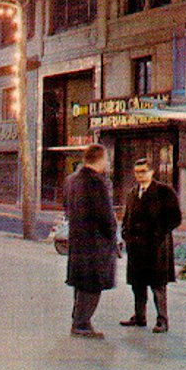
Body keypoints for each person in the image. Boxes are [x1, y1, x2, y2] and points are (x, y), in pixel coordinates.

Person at [119, 157, 183, 333]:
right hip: (136, 247)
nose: (140, 175)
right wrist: (125, 232)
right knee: (137, 284)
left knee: (158, 285)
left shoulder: (164, 191)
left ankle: (162, 320)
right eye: (137, 172)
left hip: (156, 248)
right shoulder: (133, 193)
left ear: (152, 172)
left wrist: (159, 234)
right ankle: (140, 316)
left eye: (143, 171)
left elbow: (175, 218)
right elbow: (127, 216)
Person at [64, 143, 118, 338]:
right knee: (93, 284)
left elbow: (66, 207)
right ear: (100, 159)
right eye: (107, 159)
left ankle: (78, 319)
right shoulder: (97, 182)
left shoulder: (71, 180)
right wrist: (112, 236)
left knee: (81, 283)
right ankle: (82, 324)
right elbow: (106, 216)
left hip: (78, 241)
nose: (107, 163)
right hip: (96, 244)